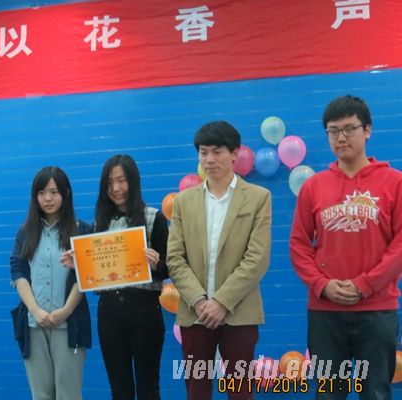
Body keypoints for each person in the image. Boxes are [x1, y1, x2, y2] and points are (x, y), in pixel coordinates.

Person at [290, 95, 402, 399]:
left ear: (367, 130)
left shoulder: (394, 182)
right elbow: (299, 244)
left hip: (377, 310)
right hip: (325, 312)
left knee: (375, 392)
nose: (341, 137)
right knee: (329, 392)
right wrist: (322, 285)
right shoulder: (313, 186)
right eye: (333, 131)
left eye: (349, 129)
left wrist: (366, 284)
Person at [167, 121, 272, 400]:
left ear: (235, 153)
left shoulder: (258, 198)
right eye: (203, 153)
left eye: (217, 152)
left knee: (240, 390)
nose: (209, 160)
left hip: (240, 313)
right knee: (197, 390)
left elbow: (257, 258)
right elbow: (175, 258)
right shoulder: (183, 202)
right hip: (195, 313)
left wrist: (222, 302)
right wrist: (199, 301)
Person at [91, 154, 169, 400]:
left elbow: (170, 268)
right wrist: (83, 267)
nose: (116, 188)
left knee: (148, 389)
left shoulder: (154, 217)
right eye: (109, 183)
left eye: (122, 180)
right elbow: (96, 280)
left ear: (133, 181)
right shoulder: (99, 224)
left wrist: (156, 264)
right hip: (109, 313)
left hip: (145, 311)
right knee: (120, 391)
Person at [10, 166, 91, 400]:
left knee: (68, 394)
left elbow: (87, 275)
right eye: (42, 193)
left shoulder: (82, 230)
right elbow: (18, 273)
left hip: (69, 324)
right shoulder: (25, 232)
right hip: (34, 324)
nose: (48, 198)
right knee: (41, 395)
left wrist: (66, 310)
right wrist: (35, 311)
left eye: (54, 192)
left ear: (66, 193)